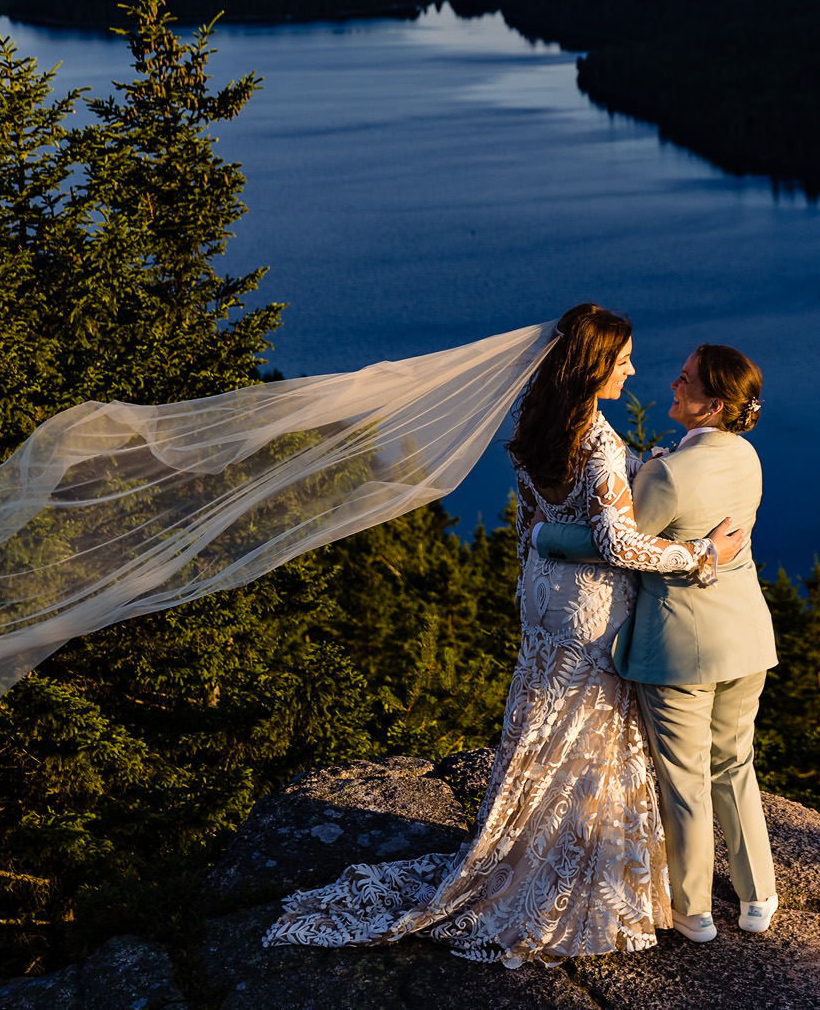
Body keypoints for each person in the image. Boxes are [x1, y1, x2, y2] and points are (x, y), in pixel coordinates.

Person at [263, 304, 747, 966]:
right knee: (589, 735)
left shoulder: (538, 419)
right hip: (590, 609)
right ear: (596, 364)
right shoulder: (600, 441)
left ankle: (517, 848)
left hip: (543, 595)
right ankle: (571, 875)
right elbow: (615, 540)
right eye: (624, 358)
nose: (634, 368)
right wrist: (701, 557)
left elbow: (530, 515)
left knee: (541, 724)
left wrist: (535, 576)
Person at [533, 343, 779, 942]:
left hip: (681, 648)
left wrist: (547, 536)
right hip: (746, 637)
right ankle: (759, 897)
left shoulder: (670, 473)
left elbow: (617, 541)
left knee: (685, 778)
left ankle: (694, 911)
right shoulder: (747, 457)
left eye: (686, 379)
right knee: (735, 765)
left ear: (711, 404)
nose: (673, 382)